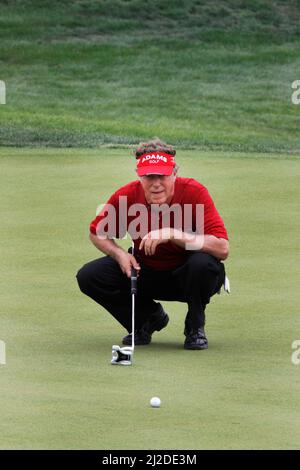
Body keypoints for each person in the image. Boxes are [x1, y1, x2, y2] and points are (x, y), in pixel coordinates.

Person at [76, 138, 229, 350]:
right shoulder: (128, 195)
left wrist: (173, 234)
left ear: (174, 173)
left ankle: (195, 325)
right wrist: (120, 254)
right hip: (145, 272)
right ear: (140, 176)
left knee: (203, 264)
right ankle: (147, 318)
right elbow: (97, 233)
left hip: (187, 276)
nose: (156, 183)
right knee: (89, 275)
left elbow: (222, 248)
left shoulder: (194, 192)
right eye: (149, 176)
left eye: (162, 175)